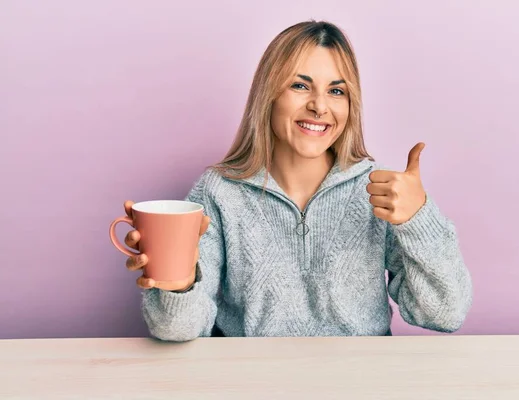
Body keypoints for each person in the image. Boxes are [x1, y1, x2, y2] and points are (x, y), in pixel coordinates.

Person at [122, 20, 473, 340]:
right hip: (251, 382)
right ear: (268, 95)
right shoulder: (220, 191)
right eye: (300, 85)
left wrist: (419, 219)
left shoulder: (379, 189)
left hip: (360, 381)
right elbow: (176, 329)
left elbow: (444, 313)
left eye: (337, 91)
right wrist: (177, 286)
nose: (320, 107)